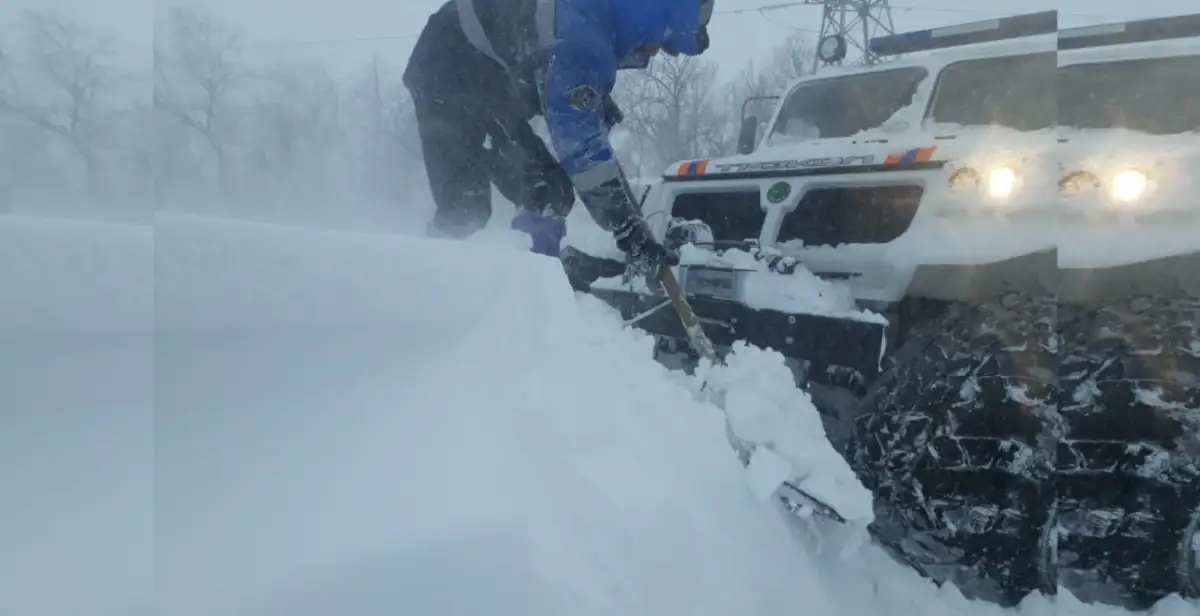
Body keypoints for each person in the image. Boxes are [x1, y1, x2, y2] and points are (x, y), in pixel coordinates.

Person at [403, 0, 713, 271]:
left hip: (489, 83)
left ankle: (527, 288)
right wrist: (625, 226)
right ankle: (427, 284)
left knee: (547, 190)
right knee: (465, 207)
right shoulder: (581, 34)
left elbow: (553, 73)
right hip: (447, 68)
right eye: (665, 40)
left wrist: (592, 102)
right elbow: (581, 149)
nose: (657, 51)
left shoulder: (597, 18)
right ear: (655, 16)